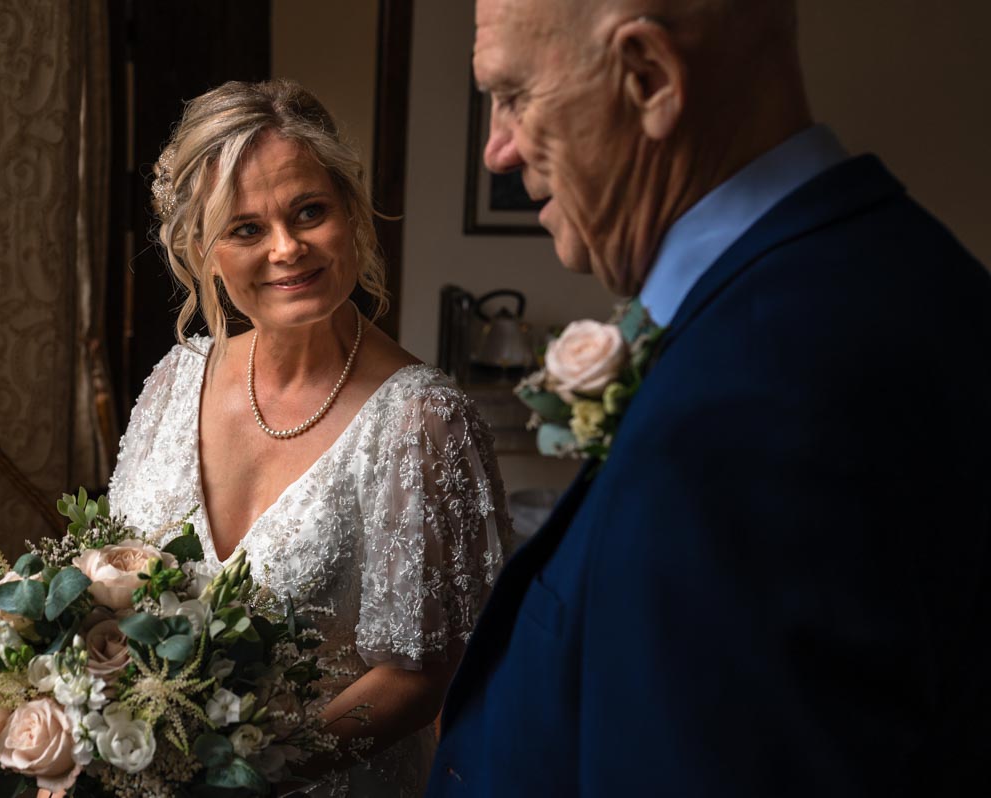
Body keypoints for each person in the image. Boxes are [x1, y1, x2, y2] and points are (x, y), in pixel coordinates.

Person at [429, 1, 991, 796]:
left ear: (650, 77)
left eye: (514, 95)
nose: (498, 149)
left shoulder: (755, 407)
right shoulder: (893, 273)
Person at [107, 79, 512, 797]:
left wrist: (237, 778)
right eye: (245, 229)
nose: (287, 248)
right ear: (203, 249)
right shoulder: (175, 380)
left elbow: (421, 677)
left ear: (351, 213)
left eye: (309, 212)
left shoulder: (423, 422)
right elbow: (111, 578)